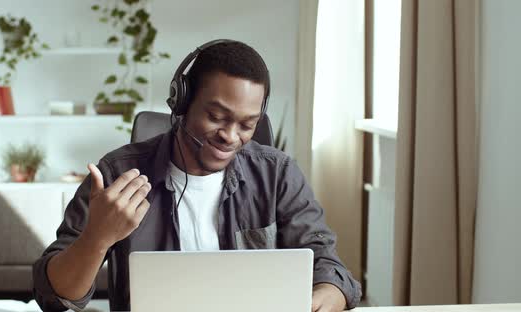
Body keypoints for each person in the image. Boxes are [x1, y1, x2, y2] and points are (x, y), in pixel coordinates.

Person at [33, 39, 362, 312]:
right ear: (182, 101)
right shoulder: (117, 175)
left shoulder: (276, 173)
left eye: (247, 124)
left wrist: (326, 296)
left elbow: (328, 264)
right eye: (217, 116)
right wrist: (96, 239)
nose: (230, 136)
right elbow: (54, 296)